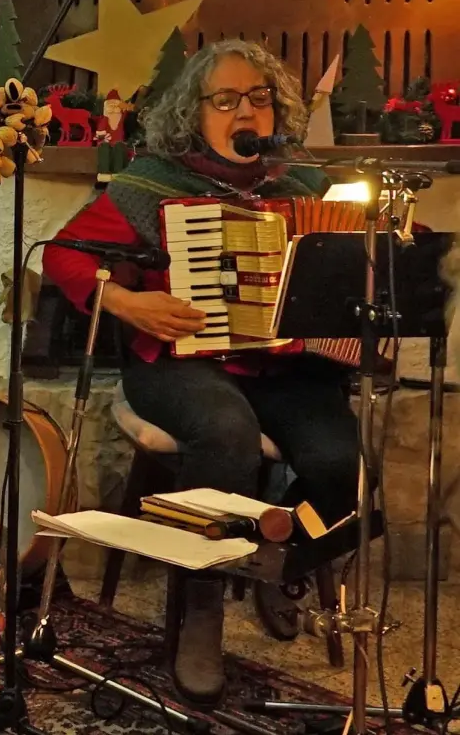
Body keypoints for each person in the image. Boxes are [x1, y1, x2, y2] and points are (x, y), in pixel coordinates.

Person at [42, 40, 361, 704]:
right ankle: (200, 610)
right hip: (179, 365)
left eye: (259, 97)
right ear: (197, 111)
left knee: (339, 464)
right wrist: (130, 302)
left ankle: (274, 562)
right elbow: (64, 258)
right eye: (226, 99)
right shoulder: (152, 182)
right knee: (225, 432)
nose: (244, 110)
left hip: (287, 367)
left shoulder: (303, 184)